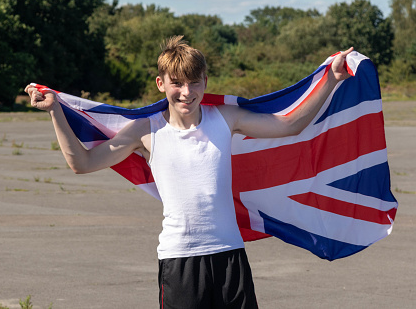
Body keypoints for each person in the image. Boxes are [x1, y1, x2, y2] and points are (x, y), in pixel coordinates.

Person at [25, 35, 353, 309]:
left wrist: (331, 80)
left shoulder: (225, 118)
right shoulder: (145, 131)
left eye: (194, 82)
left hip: (229, 255)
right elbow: (81, 163)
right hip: (180, 260)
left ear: (205, 81)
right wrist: (55, 111)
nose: (186, 92)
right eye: (177, 83)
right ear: (161, 83)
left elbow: (291, 125)